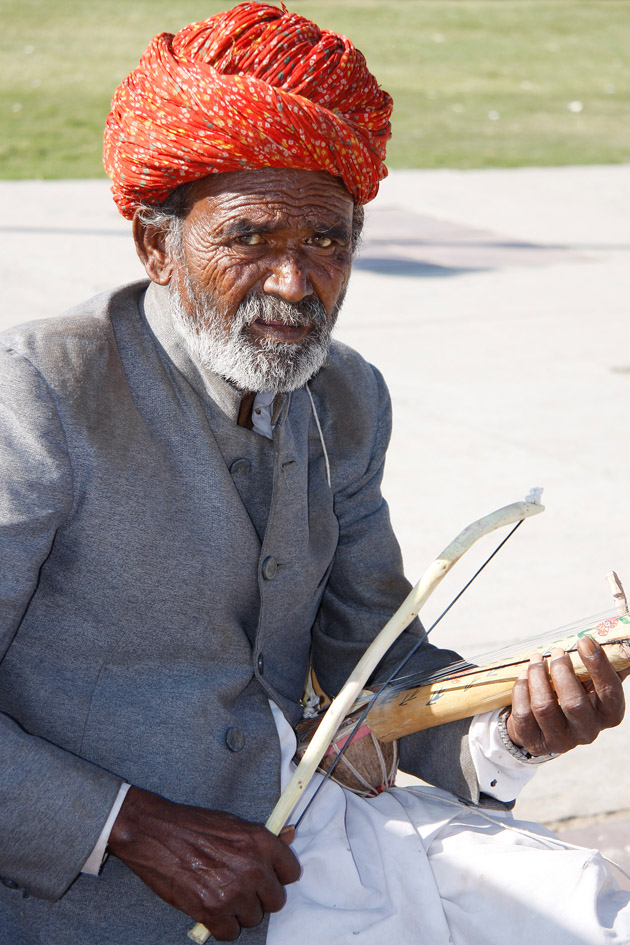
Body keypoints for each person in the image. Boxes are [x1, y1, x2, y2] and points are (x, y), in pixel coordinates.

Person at [0, 4, 627, 944]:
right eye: (250, 238)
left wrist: (512, 727)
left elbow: (377, 658)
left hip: (303, 847)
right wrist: (131, 826)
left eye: (328, 241)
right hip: (81, 894)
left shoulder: (344, 395)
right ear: (155, 246)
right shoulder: (42, 392)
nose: (297, 284)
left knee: (587, 911)